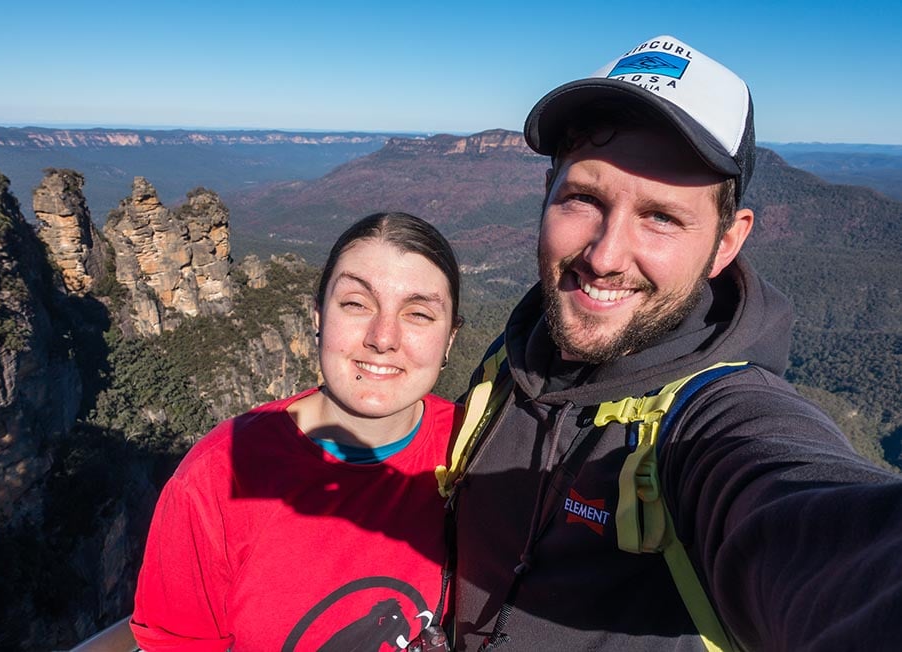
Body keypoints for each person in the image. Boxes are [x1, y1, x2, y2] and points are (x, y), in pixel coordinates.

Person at [451, 35, 902, 650]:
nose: (605, 256)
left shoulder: (717, 423)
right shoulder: (512, 355)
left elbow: (822, 529)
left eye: (661, 216)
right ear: (547, 194)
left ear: (726, 243)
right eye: (583, 198)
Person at [130, 212, 462, 651]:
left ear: (450, 340)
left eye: (418, 313)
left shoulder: (474, 446)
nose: (384, 337)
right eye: (356, 304)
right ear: (319, 316)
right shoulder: (220, 476)